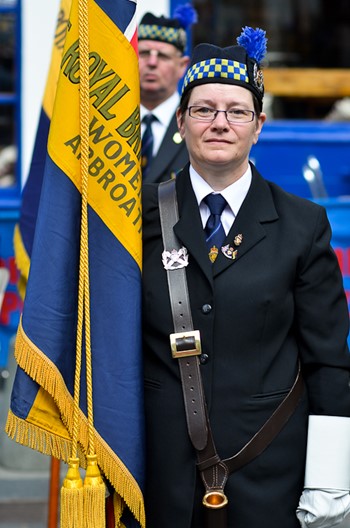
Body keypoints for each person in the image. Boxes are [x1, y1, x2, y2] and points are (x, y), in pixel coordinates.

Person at [142, 27, 350, 528]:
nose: (220, 123)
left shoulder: (302, 223)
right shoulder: (134, 218)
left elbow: (329, 362)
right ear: (182, 122)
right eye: (204, 110)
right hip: (155, 477)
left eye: (236, 111)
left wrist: (329, 478)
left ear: (258, 126)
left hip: (270, 477)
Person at [138, 5, 197, 182]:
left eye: (163, 56)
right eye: (144, 53)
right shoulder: (109, 119)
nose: (152, 62)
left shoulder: (196, 124)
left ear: (182, 66)